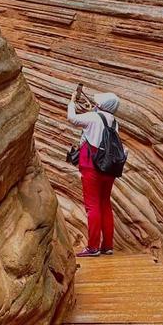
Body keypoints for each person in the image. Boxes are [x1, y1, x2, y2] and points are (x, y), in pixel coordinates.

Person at [67, 90, 120, 257]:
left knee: (93, 206)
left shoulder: (93, 117)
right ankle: (108, 246)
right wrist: (94, 111)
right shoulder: (113, 121)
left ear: (101, 105)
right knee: (105, 203)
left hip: (92, 166)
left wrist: (71, 102)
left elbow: (73, 118)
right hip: (109, 167)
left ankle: (93, 247)